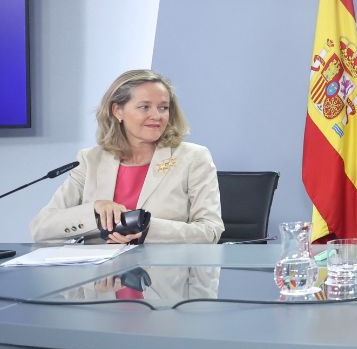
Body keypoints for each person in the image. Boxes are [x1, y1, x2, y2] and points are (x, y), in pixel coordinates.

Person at [31, 70, 224, 244]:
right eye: (144, 107)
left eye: (163, 107)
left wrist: (148, 229)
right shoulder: (90, 160)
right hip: (98, 280)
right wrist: (94, 211)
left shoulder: (193, 157)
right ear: (117, 111)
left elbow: (211, 230)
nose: (157, 116)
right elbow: (41, 229)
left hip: (163, 278)